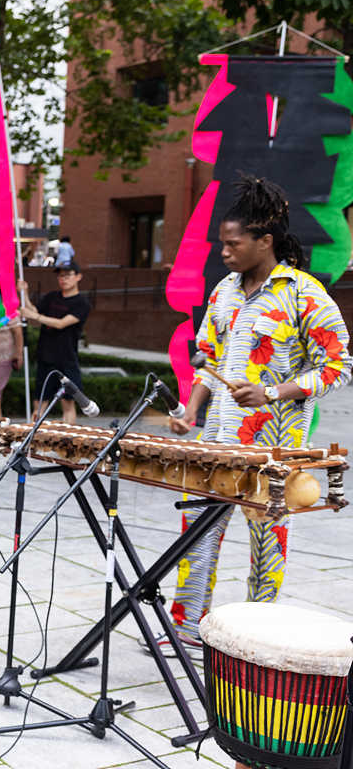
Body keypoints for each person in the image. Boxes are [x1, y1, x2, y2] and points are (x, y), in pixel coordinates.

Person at [162, 175, 350, 654]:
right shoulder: (224, 291)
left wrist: (273, 393)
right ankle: (185, 632)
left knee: (266, 549)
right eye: (221, 244)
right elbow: (208, 360)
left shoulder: (302, 294)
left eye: (232, 244)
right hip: (216, 442)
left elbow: (338, 364)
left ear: (264, 241)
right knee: (197, 536)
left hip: (271, 449)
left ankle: (250, 638)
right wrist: (191, 411)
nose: (223, 252)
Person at [19, 261, 91, 423]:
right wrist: (24, 293)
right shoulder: (51, 297)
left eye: (67, 275)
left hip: (66, 359)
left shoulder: (82, 303)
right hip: (45, 356)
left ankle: (67, 440)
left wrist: (35, 316)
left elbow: (60, 323)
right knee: (39, 402)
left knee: (67, 402)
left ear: (78, 277)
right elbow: (34, 312)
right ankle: (31, 441)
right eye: (60, 276)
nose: (63, 279)